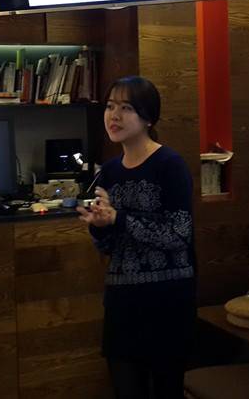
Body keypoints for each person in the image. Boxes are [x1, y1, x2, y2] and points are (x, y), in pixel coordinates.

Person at [78, 76, 196, 399]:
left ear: (148, 118)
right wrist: (99, 226)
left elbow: (179, 233)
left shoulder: (170, 165)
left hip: (167, 302)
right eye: (110, 106)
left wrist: (119, 218)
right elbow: (108, 246)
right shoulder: (109, 171)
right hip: (123, 303)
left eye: (126, 108)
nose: (114, 116)